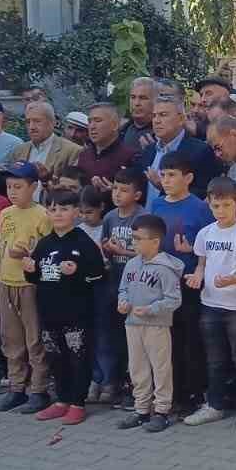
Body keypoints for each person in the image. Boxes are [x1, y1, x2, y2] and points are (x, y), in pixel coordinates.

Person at [180, 177, 236, 429]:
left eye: (226, 205)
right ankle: (215, 405)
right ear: (209, 204)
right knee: (214, 359)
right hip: (210, 304)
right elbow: (202, 265)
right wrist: (196, 277)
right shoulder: (206, 233)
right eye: (216, 206)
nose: (221, 211)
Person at [23, 188, 105, 426]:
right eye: (53, 209)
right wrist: (30, 271)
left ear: (76, 212)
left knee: (78, 357)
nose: (58, 213)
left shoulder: (84, 243)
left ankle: (78, 403)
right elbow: (36, 278)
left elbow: (99, 275)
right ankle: (62, 400)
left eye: (64, 209)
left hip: (77, 314)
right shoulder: (44, 244)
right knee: (55, 357)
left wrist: (78, 271)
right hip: (49, 312)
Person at [149, 150, 215, 411]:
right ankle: (171, 394)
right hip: (160, 283)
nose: (166, 180)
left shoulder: (200, 208)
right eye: (163, 175)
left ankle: (193, 394)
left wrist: (192, 251)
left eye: (172, 175)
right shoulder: (157, 205)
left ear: (188, 178)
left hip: (188, 283)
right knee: (167, 342)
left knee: (190, 340)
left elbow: (210, 245)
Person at [0, 161, 52, 414]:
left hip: (29, 285)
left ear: (33, 187)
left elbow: (48, 252)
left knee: (34, 338)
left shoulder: (43, 216)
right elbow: (4, 243)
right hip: (5, 281)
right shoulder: (6, 213)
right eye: (9, 187)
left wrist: (28, 254)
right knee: (11, 338)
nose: (12, 192)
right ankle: (16, 388)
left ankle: (39, 389)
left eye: (18, 187)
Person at [114, 214, 183, 432]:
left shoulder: (166, 269)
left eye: (138, 239)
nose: (133, 243)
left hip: (156, 326)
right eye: (132, 238)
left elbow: (174, 299)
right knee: (137, 368)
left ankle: (162, 410)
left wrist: (151, 309)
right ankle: (141, 409)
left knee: (161, 368)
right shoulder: (131, 264)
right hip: (132, 324)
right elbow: (123, 289)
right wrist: (122, 302)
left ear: (155, 242)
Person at [90, 169, 147, 405]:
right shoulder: (110, 217)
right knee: (111, 333)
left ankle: (133, 386)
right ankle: (110, 381)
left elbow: (147, 253)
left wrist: (121, 250)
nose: (117, 194)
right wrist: (106, 250)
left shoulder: (143, 217)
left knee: (134, 336)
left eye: (124, 190)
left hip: (137, 283)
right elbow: (107, 249)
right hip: (113, 280)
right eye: (115, 188)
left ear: (137, 195)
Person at [133, 97, 220, 202]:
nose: (156, 121)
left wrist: (164, 187)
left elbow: (204, 194)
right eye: (154, 115)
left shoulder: (200, 151)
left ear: (181, 119)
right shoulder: (149, 150)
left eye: (163, 115)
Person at [9, 102, 83, 196]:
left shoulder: (72, 151)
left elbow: (73, 191)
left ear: (53, 122)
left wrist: (47, 180)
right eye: (28, 122)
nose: (31, 127)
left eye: (37, 121)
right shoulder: (19, 150)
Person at [75, 102, 137, 199]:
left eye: (98, 121)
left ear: (115, 125)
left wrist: (114, 191)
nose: (92, 126)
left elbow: (136, 197)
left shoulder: (130, 157)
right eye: (89, 121)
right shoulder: (84, 155)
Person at [123, 78, 158, 150]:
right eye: (133, 97)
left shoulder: (163, 134)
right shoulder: (121, 131)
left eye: (143, 98)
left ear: (155, 101)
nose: (136, 103)